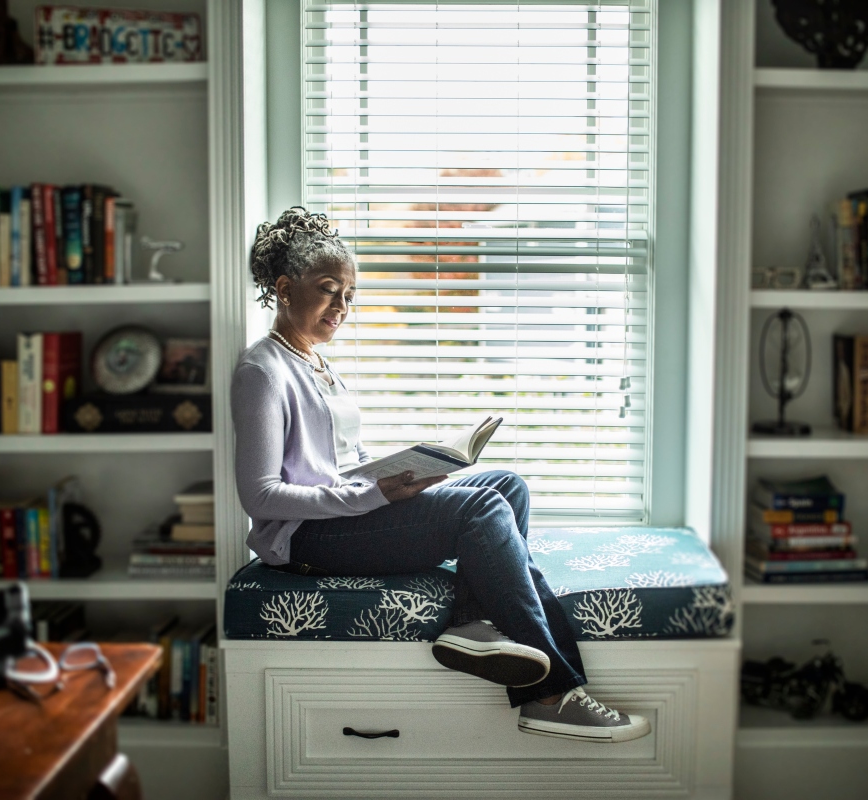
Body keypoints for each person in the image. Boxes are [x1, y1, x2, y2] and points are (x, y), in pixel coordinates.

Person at [231, 207, 651, 744]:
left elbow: (337, 464)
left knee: (506, 487)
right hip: (305, 539)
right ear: (285, 289)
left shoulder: (317, 362)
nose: (342, 306)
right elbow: (261, 496)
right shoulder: (262, 370)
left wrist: (404, 473)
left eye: (349, 295)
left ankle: (475, 624)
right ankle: (553, 696)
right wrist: (371, 497)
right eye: (329, 289)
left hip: (346, 512)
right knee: (479, 509)